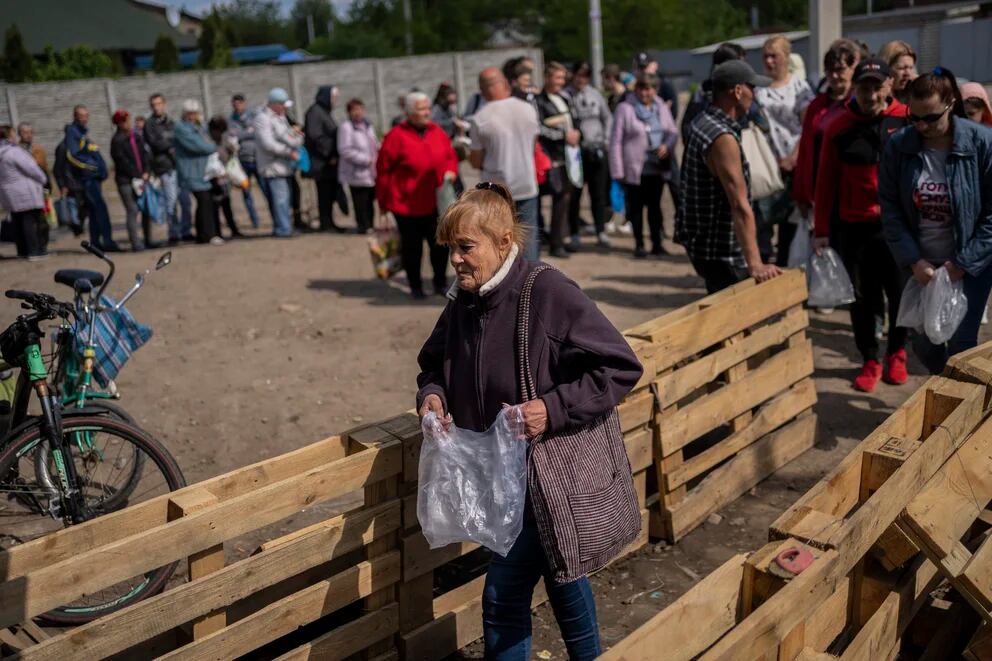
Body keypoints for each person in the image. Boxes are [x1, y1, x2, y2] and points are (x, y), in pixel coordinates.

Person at [416, 182, 643, 661]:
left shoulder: (547, 292)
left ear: (503, 242)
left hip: (546, 477)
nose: (455, 259)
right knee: (563, 576)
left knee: (502, 597)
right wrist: (432, 394)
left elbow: (620, 365)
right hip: (500, 480)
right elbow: (433, 362)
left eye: (466, 247)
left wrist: (553, 408)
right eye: (450, 248)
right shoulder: (463, 300)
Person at [880, 68, 992, 374]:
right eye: (914, 117)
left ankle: (955, 411)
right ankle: (946, 387)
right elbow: (890, 208)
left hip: (970, 267)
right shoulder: (899, 146)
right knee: (924, 343)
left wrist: (962, 264)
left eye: (930, 118)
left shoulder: (982, 143)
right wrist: (913, 261)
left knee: (960, 344)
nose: (921, 125)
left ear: (951, 104)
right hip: (920, 265)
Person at [813, 58, 910, 392]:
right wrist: (821, 230)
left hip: (896, 228)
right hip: (853, 229)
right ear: (855, 88)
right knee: (862, 298)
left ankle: (897, 352)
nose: (870, 94)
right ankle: (869, 357)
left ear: (889, 86)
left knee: (900, 295)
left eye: (876, 86)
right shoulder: (838, 126)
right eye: (864, 86)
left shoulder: (906, 120)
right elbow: (824, 182)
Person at [677, 60, 782, 294]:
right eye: (752, 88)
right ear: (737, 91)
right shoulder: (722, 137)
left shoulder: (703, 121)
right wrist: (755, 264)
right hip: (721, 252)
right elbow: (739, 204)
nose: (754, 95)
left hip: (703, 246)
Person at [376, 91, 458, 299]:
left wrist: (451, 171)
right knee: (412, 249)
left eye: (428, 108)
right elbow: (383, 171)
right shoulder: (396, 135)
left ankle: (440, 282)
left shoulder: (437, 132)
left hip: (435, 202)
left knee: (440, 246)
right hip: (407, 205)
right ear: (410, 113)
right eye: (422, 109)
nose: (427, 112)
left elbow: (450, 157)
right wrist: (383, 202)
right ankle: (416, 286)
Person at [468, 68, 541, 260]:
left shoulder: (480, 118)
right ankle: (530, 284)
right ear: (506, 84)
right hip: (526, 183)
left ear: (482, 91)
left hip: (496, 190)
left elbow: (476, 161)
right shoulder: (528, 109)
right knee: (528, 242)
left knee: (498, 243)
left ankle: (503, 285)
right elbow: (533, 145)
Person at [755, 35, 816, 266]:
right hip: (769, 167)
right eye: (766, 57)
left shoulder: (799, 88)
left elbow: (807, 127)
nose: (770, 61)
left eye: (774, 56)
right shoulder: (760, 90)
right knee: (764, 221)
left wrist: (793, 157)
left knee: (791, 226)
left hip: (795, 167)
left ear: (786, 58)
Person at [610, 74, 678, 258]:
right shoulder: (625, 109)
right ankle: (639, 244)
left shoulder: (660, 106)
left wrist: (667, 146)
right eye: (641, 88)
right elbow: (616, 141)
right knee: (636, 208)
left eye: (649, 89)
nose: (645, 93)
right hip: (634, 168)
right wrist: (617, 169)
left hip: (656, 166)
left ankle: (657, 243)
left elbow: (672, 131)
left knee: (655, 207)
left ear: (655, 90)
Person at [793, 39, 861, 222]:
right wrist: (801, 192)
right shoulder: (816, 105)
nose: (835, 76)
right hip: (818, 188)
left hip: (849, 188)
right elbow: (806, 149)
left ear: (852, 69)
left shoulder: (859, 104)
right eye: (830, 70)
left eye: (840, 70)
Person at [536, 61, 581, 258]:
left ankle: (560, 239)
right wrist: (563, 136)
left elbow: (573, 119)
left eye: (563, 78)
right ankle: (552, 243)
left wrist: (577, 133)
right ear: (547, 78)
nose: (562, 81)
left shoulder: (565, 97)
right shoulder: (538, 101)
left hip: (569, 156)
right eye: (558, 77)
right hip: (550, 158)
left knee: (565, 198)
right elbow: (539, 129)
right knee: (556, 197)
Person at [566, 62, 612, 249]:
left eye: (586, 76)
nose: (581, 79)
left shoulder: (595, 95)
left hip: (597, 149)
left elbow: (607, 118)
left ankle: (601, 231)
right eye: (579, 75)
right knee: (575, 194)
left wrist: (606, 140)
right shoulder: (566, 96)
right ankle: (574, 233)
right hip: (576, 153)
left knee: (598, 193)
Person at [65, 104, 118, 251]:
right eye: (81, 116)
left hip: (93, 179)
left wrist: (101, 169)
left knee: (94, 213)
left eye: (86, 115)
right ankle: (108, 242)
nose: (84, 119)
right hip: (87, 180)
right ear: (75, 116)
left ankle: (95, 243)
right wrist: (93, 168)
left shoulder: (82, 133)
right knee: (100, 210)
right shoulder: (72, 132)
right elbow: (72, 156)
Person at [255, 87, 304, 238]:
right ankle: (284, 229)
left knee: (282, 199)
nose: (285, 108)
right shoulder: (262, 119)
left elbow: (289, 137)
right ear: (275, 104)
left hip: (283, 166)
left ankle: (282, 227)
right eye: (283, 104)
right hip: (272, 167)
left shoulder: (280, 117)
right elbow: (268, 144)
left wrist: (296, 138)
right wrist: (289, 152)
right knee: (280, 200)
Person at [174, 99, 221, 246]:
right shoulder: (181, 128)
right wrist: (214, 146)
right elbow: (199, 146)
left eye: (195, 113)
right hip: (191, 171)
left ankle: (203, 235)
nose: (193, 116)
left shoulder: (199, 125)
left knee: (206, 201)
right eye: (190, 113)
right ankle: (208, 234)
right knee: (204, 200)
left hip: (204, 171)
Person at [144, 93, 189, 245]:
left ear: (164, 104)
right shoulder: (149, 124)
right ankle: (174, 233)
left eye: (158, 104)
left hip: (179, 165)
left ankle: (186, 230)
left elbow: (180, 138)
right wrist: (170, 147)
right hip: (165, 168)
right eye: (153, 105)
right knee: (171, 201)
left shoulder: (171, 122)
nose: (156, 107)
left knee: (184, 200)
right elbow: (155, 143)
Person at [109, 109, 156, 251]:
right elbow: (121, 162)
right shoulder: (117, 140)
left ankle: (148, 239)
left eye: (127, 120)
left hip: (142, 178)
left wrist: (147, 171)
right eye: (123, 121)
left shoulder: (136, 136)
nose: (127, 123)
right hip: (126, 181)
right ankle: (136, 242)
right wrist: (136, 175)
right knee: (133, 210)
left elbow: (145, 155)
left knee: (146, 209)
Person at [0, 130, 49, 260]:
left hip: (8, 193)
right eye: (13, 134)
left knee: (18, 222)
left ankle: (22, 251)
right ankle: (34, 251)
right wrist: (43, 179)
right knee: (30, 222)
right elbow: (31, 168)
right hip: (24, 192)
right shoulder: (14, 152)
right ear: (9, 137)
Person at [304, 85, 345, 233]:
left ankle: (330, 222)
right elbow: (316, 137)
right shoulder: (315, 112)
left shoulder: (324, 112)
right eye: (333, 97)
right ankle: (325, 223)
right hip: (322, 163)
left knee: (330, 194)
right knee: (324, 194)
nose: (335, 101)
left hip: (329, 162)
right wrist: (329, 155)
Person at [338, 98, 379, 234]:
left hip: (371, 170)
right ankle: (363, 225)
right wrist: (364, 160)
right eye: (354, 110)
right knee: (359, 200)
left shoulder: (368, 125)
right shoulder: (346, 127)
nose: (358, 112)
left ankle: (371, 224)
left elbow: (374, 143)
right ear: (349, 112)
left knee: (370, 200)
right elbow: (345, 150)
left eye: (360, 109)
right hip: (356, 171)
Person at [229, 94, 263, 228]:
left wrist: (241, 134)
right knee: (246, 192)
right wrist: (247, 132)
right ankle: (254, 221)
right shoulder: (231, 120)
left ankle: (274, 218)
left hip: (257, 159)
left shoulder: (253, 116)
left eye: (239, 103)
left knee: (265, 189)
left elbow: (256, 133)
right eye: (235, 104)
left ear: (244, 103)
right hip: (242, 161)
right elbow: (232, 136)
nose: (237, 106)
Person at [207, 115, 243, 239]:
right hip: (213, 177)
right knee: (215, 206)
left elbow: (231, 153)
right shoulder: (208, 141)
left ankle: (233, 229)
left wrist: (233, 149)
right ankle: (217, 232)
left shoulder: (224, 138)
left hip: (225, 176)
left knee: (227, 204)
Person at [879, 41, 918, 105]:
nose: (907, 73)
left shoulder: (914, 94)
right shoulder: (875, 100)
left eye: (911, 68)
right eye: (901, 68)